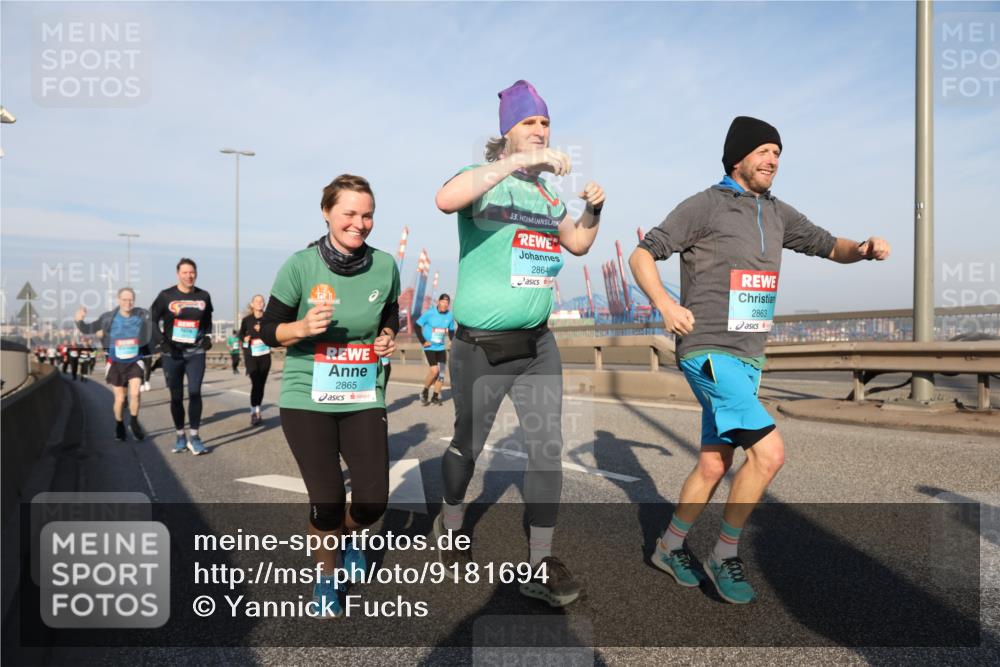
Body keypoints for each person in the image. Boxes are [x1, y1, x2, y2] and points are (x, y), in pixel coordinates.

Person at [630, 116, 891, 604]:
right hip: (707, 348)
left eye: (778, 153)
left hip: (749, 357)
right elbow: (643, 254)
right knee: (769, 454)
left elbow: (828, 246)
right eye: (765, 150)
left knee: (713, 462)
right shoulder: (704, 206)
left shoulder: (778, 213)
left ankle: (668, 545)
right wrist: (665, 306)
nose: (773, 159)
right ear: (738, 157)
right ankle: (724, 552)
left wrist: (864, 249)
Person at [433, 80, 605, 607]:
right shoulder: (480, 180)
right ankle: (453, 516)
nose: (541, 130)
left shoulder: (548, 196)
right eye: (530, 122)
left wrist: (595, 210)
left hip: (537, 346)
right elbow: (444, 200)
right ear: (508, 132)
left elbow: (576, 243)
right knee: (469, 444)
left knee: (545, 448)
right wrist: (512, 165)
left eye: (545, 123)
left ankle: (539, 564)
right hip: (481, 348)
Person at [260, 174, 400, 618]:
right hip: (307, 396)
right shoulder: (300, 265)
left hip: (361, 393)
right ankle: (326, 573)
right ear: (327, 213)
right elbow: (267, 330)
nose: (360, 223)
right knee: (325, 503)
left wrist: (386, 336)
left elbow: (390, 311)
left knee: (373, 501)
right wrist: (300, 328)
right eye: (350, 214)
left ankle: (352, 533)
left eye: (367, 215)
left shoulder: (384, 266)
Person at [150, 258, 214, 455]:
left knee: (195, 392)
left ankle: (194, 436)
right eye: (185, 272)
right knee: (176, 396)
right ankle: (180, 435)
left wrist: (208, 337)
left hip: (196, 352)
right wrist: (163, 342)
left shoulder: (204, 296)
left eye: (192, 272)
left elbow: (208, 320)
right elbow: (151, 320)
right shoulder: (166, 296)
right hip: (173, 353)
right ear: (178, 274)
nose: (189, 276)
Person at [75, 287, 154, 441]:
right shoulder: (108, 318)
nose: (128, 302)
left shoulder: (141, 317)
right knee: (119, 399)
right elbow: (87, 329)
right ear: (118, 300)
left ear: (134, 301)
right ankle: (119, 425)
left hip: (134, 361)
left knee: (136, 393)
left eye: (130, 299)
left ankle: (134, 421)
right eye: (124, 299)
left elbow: (149, 335)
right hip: (116, 363)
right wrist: (79, 320)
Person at [414, 293, 456, 406]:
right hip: (430, 347)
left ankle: (435, 396)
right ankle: (425, 390)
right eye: (443, 302)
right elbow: (416, 326)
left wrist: (452, 340)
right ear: (438, 302)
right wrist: (423, 341)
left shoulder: (450, 316)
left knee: (441, 373)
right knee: (434, 371)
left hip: (441, 348)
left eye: (447, 303)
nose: (445, 305)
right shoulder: (430, 313)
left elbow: (451, 330)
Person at [239, 294, 271, 426]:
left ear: (264, 304)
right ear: (252, 304)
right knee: (255, 382)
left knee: (261, 384)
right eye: (257, 301)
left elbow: (273, 334)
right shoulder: (247, 320)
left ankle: (257, 409)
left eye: (261, 301)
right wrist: (244, 338)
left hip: (265, 354)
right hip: (251, 355)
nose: (259, 303)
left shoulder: (268, 319)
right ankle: (254, 412)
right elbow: (240, 334)